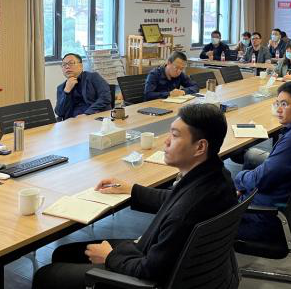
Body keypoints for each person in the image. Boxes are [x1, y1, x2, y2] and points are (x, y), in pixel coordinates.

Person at [32, 104, 237, 289]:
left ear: (200, 147)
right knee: (64, 253)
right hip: (191, 269)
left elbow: (150, 271)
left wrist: (110, 256)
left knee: (46, 275)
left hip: (150, 276)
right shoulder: (216, 176)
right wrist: (131, 190)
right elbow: (174, 200)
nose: (166, 141)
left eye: (175, 136)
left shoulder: (185, 212)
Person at [235, 82, 291, 241]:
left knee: (204, 215)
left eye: (284, 104)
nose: (278, 109)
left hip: (264, 219)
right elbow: (268, 173)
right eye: (277, 104)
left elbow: (261, 179)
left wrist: (239, 179)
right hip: (274, 208)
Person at [55, 53, 112, 119]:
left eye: (71, 63)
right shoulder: (61, 87)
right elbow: (59, 112)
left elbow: (105, 98)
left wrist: (87, 114)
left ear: (81, 66)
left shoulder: (93, 77)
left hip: (94, 117)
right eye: (64, 65)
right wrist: (66, 91)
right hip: (72, 121)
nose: (67, 67)